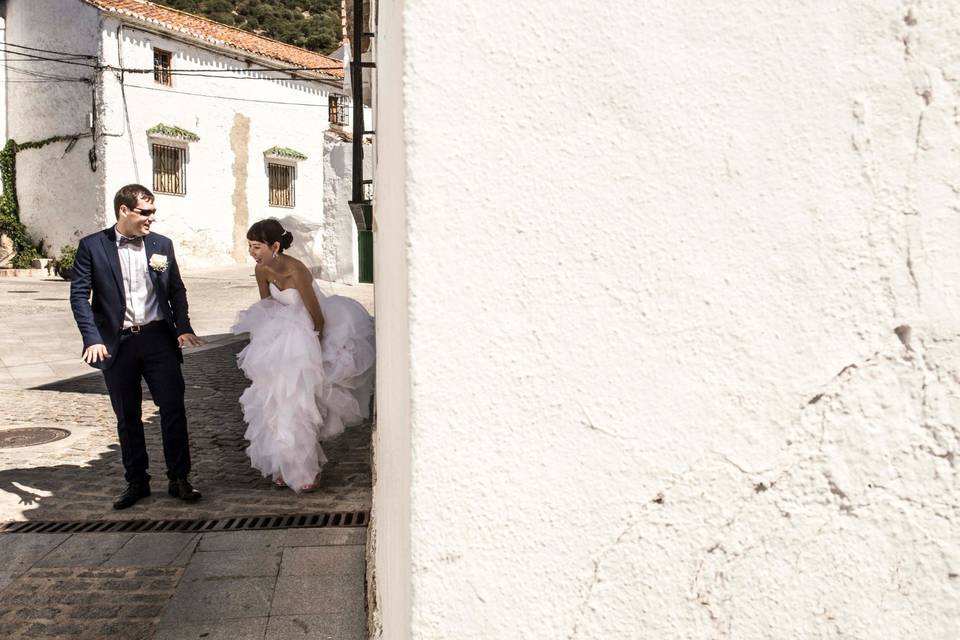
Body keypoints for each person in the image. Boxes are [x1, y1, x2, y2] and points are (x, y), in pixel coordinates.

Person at [69, 184, 204, 510]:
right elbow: (79, 296)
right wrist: (93, 338)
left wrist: (182, 327)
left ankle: (179, 478)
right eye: (145, 212)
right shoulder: (92, 246)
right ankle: (136, 482)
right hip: (119, 344)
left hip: (159, 339)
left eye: (153, 212)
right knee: (127, 415)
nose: (151, 218)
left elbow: (176, 290)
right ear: (124, 211)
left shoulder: (161, 245)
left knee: (173, 409)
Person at [232, 219, 375, 492]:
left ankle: (305, 470)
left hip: (305, 338)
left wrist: (314, 351)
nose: (252, 251)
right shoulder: (260, 269)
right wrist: (267, 341)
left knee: (299, 403)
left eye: (257, 246)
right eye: (250, 246)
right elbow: (267, 306)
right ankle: (283, 464)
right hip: (278, 339)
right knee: (274, 401)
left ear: (275, 246)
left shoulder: (297, 271)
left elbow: (316, 317)